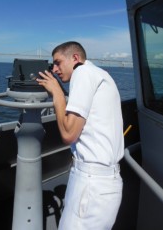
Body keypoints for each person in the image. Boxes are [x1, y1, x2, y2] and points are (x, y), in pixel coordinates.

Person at [36, 41, 124, 230]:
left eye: (58, 62)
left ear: (75, 58)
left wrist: (57, 93)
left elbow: (68, 134)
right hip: (101, 183)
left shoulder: (82, 73)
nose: (55, 69)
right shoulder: (100, 74)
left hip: (92, 184)